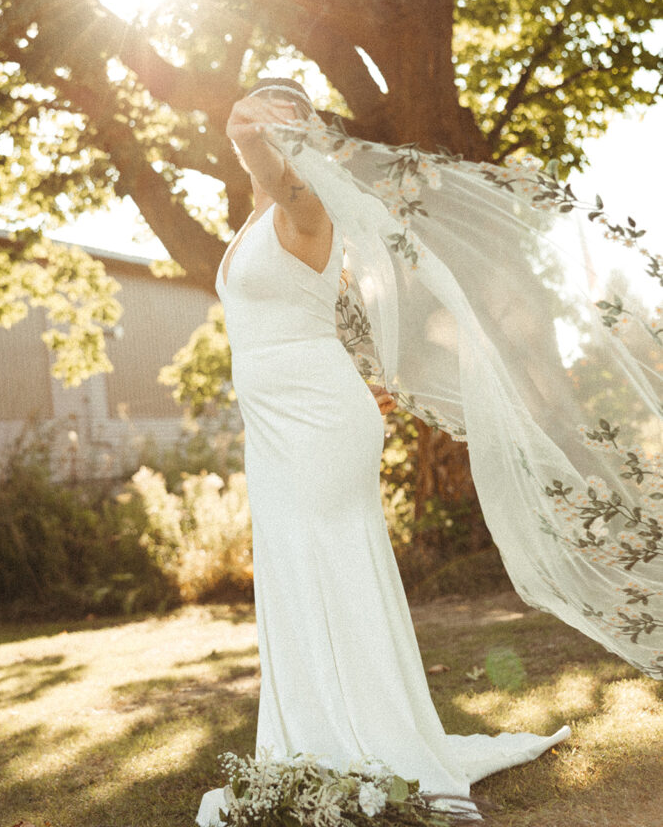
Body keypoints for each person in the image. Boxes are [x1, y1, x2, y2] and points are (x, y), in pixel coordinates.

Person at [195, 78, 591, 826]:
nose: (252, 125)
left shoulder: (304, 204)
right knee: (293, 570)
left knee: (335, 564)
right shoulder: (258, 218)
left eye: (281, 119)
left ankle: (378, 740)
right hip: (275, 426)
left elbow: (257, 149)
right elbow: (252, 161)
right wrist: (255, 117)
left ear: (306, 134)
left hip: (318, 420)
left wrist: (258, 118)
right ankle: (311, 741)